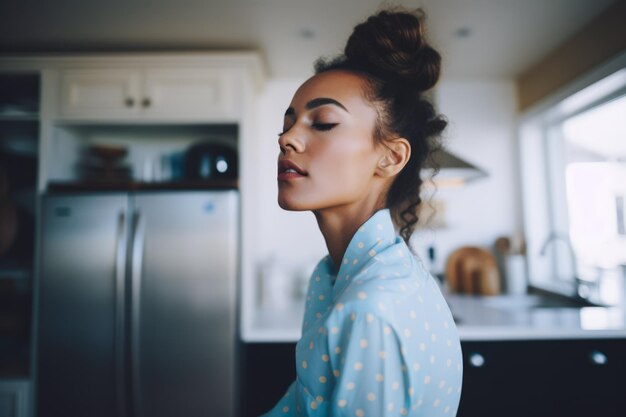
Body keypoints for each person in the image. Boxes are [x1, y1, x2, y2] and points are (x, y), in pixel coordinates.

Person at [262, 7, 463, 417]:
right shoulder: (342, 275)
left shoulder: (370, 311)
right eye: (289, 122)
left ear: (390, 157)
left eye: (323, 122)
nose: (287, 139)